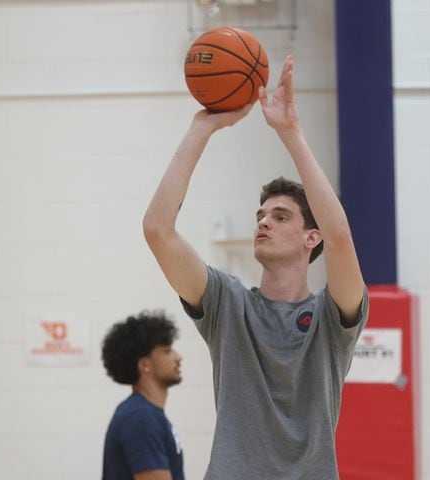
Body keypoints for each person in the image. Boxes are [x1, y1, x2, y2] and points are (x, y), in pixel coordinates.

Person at [143, 55, 368, 479]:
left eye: (281, 216)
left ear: (310, 238)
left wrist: (291, 134)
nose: (264, 221)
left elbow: (341, 236)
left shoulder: (331, 317)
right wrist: (202, 127)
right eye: (260, 215)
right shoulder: (226, 304)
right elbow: (158, 230)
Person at [101, 311, 185, 480]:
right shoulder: (140, 417)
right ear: (144, 365)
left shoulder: (146, 414)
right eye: (167, 351)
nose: (178, 357)